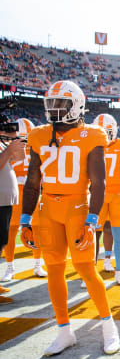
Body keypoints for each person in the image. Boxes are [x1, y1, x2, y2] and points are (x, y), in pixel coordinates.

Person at [20, 80, 120, 355]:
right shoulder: (40, 135)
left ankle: (108, 326)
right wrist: (25, 218)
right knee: (53, 269)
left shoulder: (92, 135)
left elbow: (98, 183)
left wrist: (91, 220)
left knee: (86, 269)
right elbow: (32, 181)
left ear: (77, 104)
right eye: (51, 103)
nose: (55, 109)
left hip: (77, 206)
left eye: (61, 103)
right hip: (48, 207)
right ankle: (64, 331)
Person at [92, 113, 120, 285]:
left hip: (117, 194)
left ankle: (119, 271)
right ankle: (92, 272)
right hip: (98, 195)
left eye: (108, 131)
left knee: (118, 235)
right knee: (94, 235)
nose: (106, 135)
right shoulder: (91, 146)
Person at [2, 118, 47, 282]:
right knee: (11, 231)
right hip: (14, 192)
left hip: (33, 192)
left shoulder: (38, 149)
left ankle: (37, 264)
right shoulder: (8, 149)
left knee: (36, 229)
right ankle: (9, 267)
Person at [0, 119, 27, 303]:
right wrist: (9, 149)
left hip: (5, 200)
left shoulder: (3, 144)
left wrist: (18, 144)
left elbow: (18, 159)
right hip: (0, 201)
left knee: (2, 241)